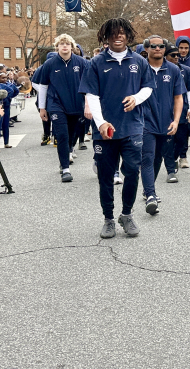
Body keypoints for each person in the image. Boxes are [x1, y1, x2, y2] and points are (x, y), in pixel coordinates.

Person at [79, 18, 155, 239]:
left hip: (132, 128)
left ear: (128, 35)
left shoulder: (139, 62)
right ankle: (109, 219)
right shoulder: (96, 63)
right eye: (113, 33)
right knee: (105, 177)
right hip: (105, 131)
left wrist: (136, 98)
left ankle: (127, 214)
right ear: (106, 37)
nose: (118, 36)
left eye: (122, 33)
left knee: (132, 172)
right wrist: (100, 122)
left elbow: (148, 87)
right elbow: (91, 95)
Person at [32, 34, 90, 183]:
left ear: (72, 46)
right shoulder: (50, 64)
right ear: (57, 46)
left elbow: (89, 86)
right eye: (61, 44)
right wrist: (42, 108)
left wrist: (88, 105)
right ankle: (65, 168)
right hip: (56, 104)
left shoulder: (82, 63)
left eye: (67, 44)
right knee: (62, 135)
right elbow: (43, 86)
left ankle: (69, 151)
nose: (64, 46)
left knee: (72, 135)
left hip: (76, 104)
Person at [140, 36, 185, 214]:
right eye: (153, 46)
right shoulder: (140, 68)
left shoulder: (173, 69)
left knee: (158, 157)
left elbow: (178, 97)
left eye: (161, 46)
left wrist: (175, 120)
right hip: (144, 121)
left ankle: (147, 189)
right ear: (147, 48)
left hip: (165, 122)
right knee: (148, 157)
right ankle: (151, 195)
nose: (157, 48)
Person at [166, 44, 190, 170]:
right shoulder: (160, 70)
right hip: (166, 110)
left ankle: (174, 158)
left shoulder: (187, 70)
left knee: (181, 139)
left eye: (177, 55)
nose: (176, 57)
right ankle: (171, 168)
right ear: (166, 56)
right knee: (168, 140)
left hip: (182, 110)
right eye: (173, 55)